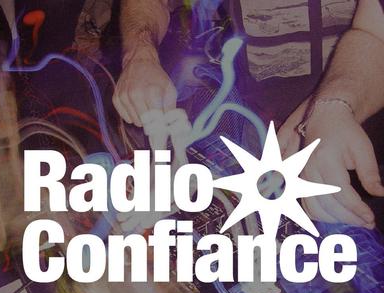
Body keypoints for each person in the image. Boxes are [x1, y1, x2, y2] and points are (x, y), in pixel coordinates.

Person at [113, 0, 384, 229]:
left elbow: (374, 32)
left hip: (353, 124)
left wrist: (327, 105)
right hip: (259, 121)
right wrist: (140, 55)